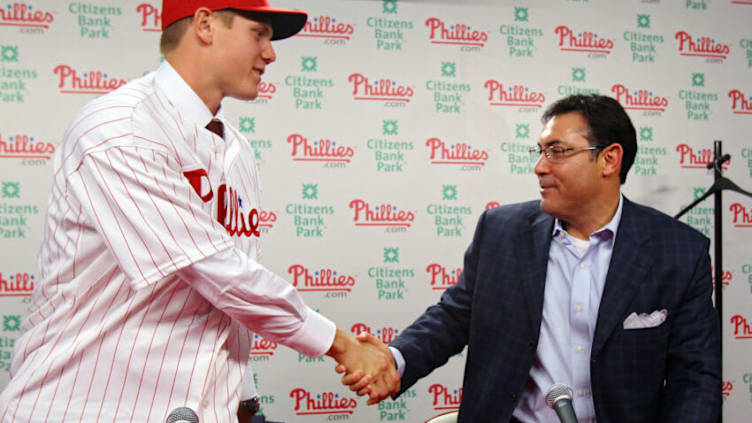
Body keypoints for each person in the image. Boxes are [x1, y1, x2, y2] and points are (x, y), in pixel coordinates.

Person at [0, 1, 395, 422]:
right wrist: (341, 344)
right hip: (85, 406)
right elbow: (215, 271)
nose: (270, 53)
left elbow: (227, 295)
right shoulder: (120, 129)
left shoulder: (236, 151)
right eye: (257, 33)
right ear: (205, 24)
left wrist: (243, 401)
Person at [356, 94, 721, 422]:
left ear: (609, 159)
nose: (540, 167)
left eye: (558, 152)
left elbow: (696, 378)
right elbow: (454, 317)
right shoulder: (502, 231)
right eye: (541, 151)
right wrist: (395, 359)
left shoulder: (678, 251)